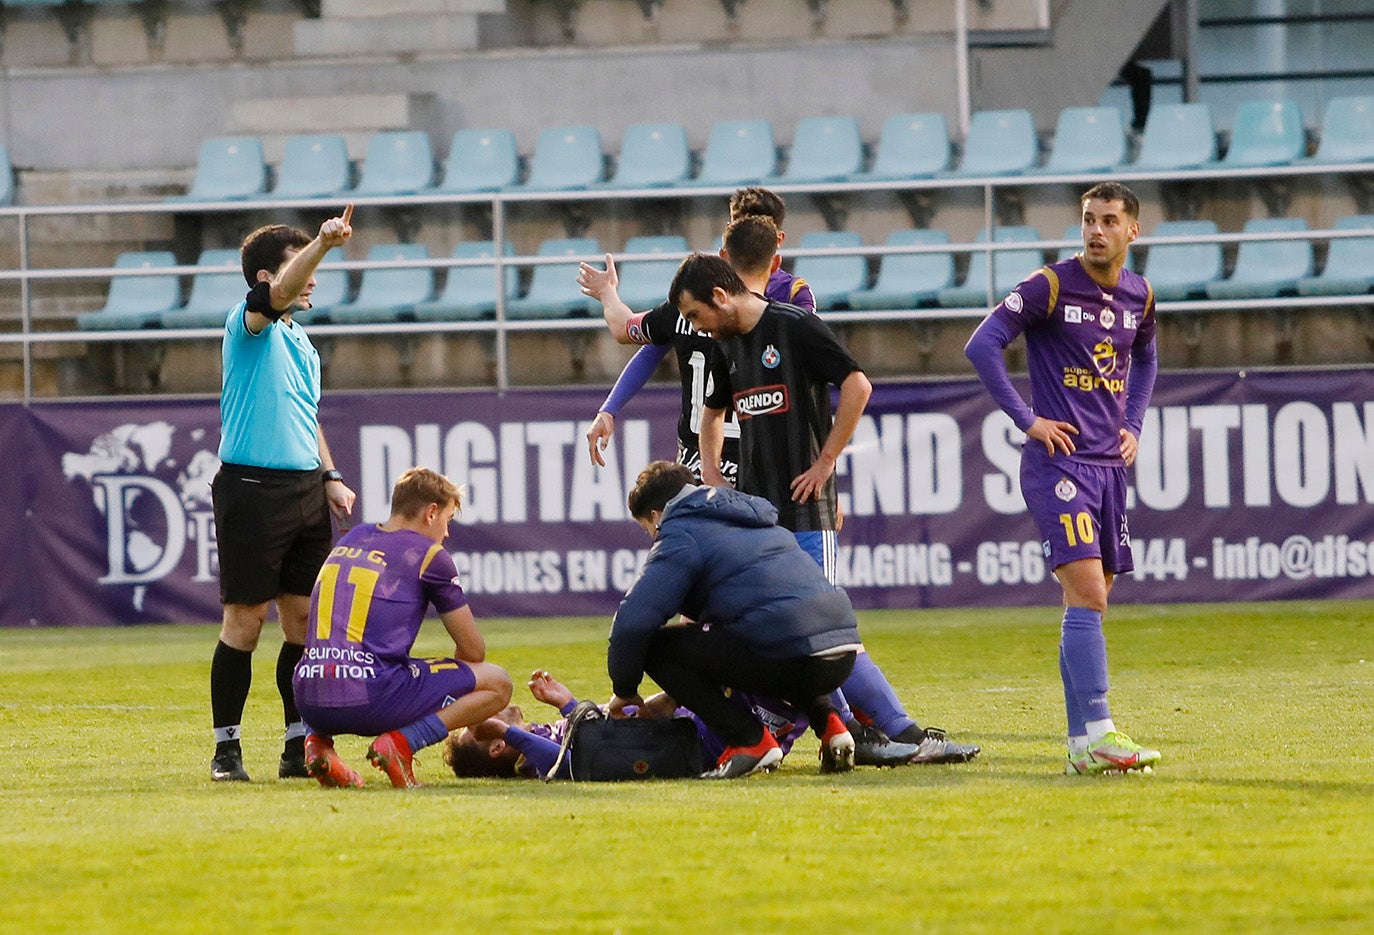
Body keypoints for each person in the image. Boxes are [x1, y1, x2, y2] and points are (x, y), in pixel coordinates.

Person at [672, 252, 980, 765]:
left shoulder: (794, 326)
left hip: (805, 513)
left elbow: (857, 385)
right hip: (757, 521)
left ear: (720, 297)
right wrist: (710, 479)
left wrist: (825, 462)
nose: (696, 326)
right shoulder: (728, 346)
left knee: (822, 632)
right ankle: (868, 733)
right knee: (795, 635)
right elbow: (712, 414)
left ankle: (896, 732)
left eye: (696, 314)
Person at [964, 181, 1161, 776]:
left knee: (1089, 604)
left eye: (1108, 221)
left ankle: (1080, 745)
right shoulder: (1050, 285)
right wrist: (1027, 421)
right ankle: (1101, 732)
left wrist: (1133, 422)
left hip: (1107, 466)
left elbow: (1147, 357)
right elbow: (982, 344)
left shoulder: (1140, 295)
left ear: (1133, 231)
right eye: (1087, 220)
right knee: (1089, 594)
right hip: (1059, 465)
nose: (1095, 231)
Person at [209, 206, 359, 783]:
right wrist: (320, 244)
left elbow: (307, 416)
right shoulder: (248, 327)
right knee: (244, 623)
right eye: (299, 267)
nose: (312, 277)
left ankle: (297, 747)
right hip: (251, 488)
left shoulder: (301, 341)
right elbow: (280, 294)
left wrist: (330, 476)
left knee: (303, 625)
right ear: (267, 279)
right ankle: (227, 750)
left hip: (303, 490)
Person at [607, 460, 862, 778]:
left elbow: (632, 622)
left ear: (656, 516)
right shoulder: (752, 515)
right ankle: (831, 725)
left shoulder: (679, 534)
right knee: (774, 634)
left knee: (656, 647)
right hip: (841, 653)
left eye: (648, 529)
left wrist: (625, 688)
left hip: (791, 653)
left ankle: (749, 740)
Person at [292, 467, 513, 788]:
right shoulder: (429, 555)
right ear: (431, 512)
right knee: (497, 682)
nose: (447, 533)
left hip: (308, 699)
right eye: (447, 520)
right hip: (368, 699)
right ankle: (402, 744)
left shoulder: (352, 537)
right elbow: (473, 650)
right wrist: (450, 693)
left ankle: (318, 746)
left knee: (335, 657)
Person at [579, 187, 813, 481]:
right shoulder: (788, 301)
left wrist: (607, 293)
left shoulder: (699, 291)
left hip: (717, 468)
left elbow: (629, 331)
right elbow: (652, 345)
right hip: (746, 469)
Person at [445, 669, 807, 780]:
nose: (479, 716)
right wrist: (511, 731)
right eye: (475, 726)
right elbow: (576, 761)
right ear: (494, 747)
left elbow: (606, 730)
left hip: (688, 720)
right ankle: (842, 719)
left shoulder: (540, 737)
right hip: (703, 741)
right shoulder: (534, 762)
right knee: (796, 669)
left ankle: (843, 721)